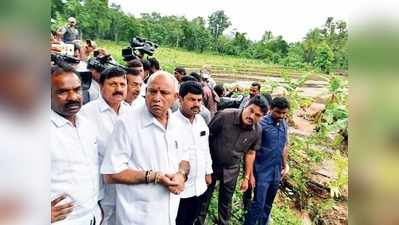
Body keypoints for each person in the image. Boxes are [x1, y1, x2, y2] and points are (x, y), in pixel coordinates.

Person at [100, 71, 190, 225]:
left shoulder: (178, 125)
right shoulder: (127, 124)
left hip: (168, 215)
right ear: (145, 92)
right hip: (137, 218)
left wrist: (182, 175)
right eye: (152, 91)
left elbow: (184, 158)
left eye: (164, 93)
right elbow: (110, 174)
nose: (157, 98)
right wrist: (155, 177)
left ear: (176, 97)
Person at [197, 95, 269, 225]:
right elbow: (205, 138)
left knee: (226, 202)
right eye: (251, 111)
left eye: (257, 115)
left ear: (262, 117)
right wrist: (203, 166)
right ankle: (198, 222)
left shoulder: (257, 130)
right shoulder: (224, 116)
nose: (252, 117)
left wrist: (246, 177)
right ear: (245, 106)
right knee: (204, 198)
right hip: (211, 165)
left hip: (231, 169)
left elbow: (251, 152)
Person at [50, 64, 101, 225]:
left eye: (77, 89)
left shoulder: (87, 124)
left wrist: (97, 207)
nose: (73, 97)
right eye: (62, 91)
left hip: (92, 217)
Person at [80, 66, 130, 225]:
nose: (119, 89)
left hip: (127, 187)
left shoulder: (132, 113)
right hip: (100, 188)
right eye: (113, 84)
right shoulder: (86, 114)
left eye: (122, 85)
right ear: (101, 86)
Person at [244, 97, 290, 225]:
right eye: (278, 112)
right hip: (261, 171)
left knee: (268, 204)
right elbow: (250, 151)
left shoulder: (284, 124)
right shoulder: (260, 124)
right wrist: (250, 175)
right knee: (258, 204)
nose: (281, 115)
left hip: (276, 172)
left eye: (284, 113)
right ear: (270, 109)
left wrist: (285, 165)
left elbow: (284, 146)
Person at [174, 81, 213, 225]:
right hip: (181, 189)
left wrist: (208, 172)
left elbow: (205, 149)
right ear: (180, 98)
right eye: (191, 99)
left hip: (200, 185)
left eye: (199, 100)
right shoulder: (172, 123)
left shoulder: (201, 121)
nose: (196, 104)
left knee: (193, 219)